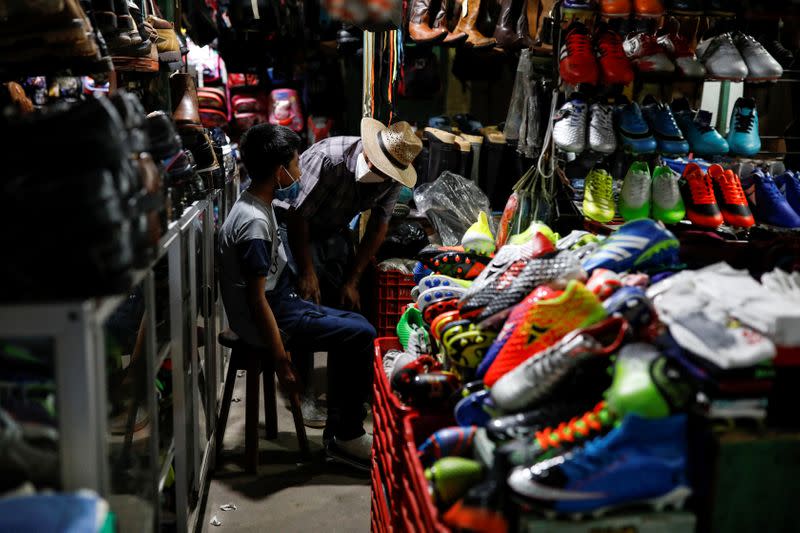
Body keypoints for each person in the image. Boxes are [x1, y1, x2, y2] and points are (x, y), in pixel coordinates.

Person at [218, 124, 376, 471]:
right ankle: (347, 434)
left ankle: (340, 432)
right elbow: (258, 301)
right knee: (361, 334)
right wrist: (281, 360)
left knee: (358, 324)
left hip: (277, 301)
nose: (300, 171)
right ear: (280, 172)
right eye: (296, 164)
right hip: (267, 313)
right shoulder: (254, 224)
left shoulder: (254, 205)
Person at [277, 119, 422, 423]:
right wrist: (306, 271)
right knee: (307, 299)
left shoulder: (392, 178)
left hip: (333, 228)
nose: (383, 177)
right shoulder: (330, 159)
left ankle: (344, 394)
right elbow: (298, 217)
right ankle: (301, 391)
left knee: (348, 299)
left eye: (388, 174)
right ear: (370, 154)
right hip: (295, 225)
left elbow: (379, 227)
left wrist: (353, 280)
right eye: (379, 168)